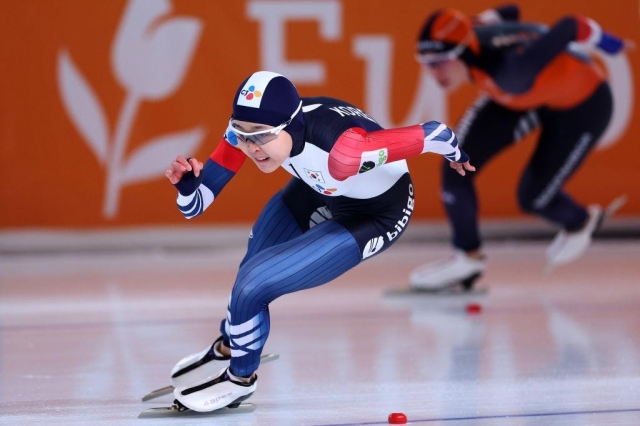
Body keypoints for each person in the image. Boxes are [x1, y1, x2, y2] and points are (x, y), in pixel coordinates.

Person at [163, 70, 474, 412]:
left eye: (263, 137)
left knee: (254, 284)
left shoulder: (344, 152)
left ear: (290, 126)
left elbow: (434, 133)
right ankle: (231, 342)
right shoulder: (247, 127)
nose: (251, 147)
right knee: (250, 268)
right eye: (242, 135)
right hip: (320, 189)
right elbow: (195, 206)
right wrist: (188, 187)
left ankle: (240, 380)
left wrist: (457, 156)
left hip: (375, 213)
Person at [410, 4, 629, 291]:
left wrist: (608, 43)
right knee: (455, 163)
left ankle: (582, 221)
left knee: (534, 198)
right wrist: (494, 18)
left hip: (583, 104)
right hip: (529, 95)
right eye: (426, 63)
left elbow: (571, 25)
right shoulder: (472, 34)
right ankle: (467, 257)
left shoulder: (512, 73)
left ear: (461, 53)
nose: (432, 73)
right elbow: (511, 11)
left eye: (439, 62)